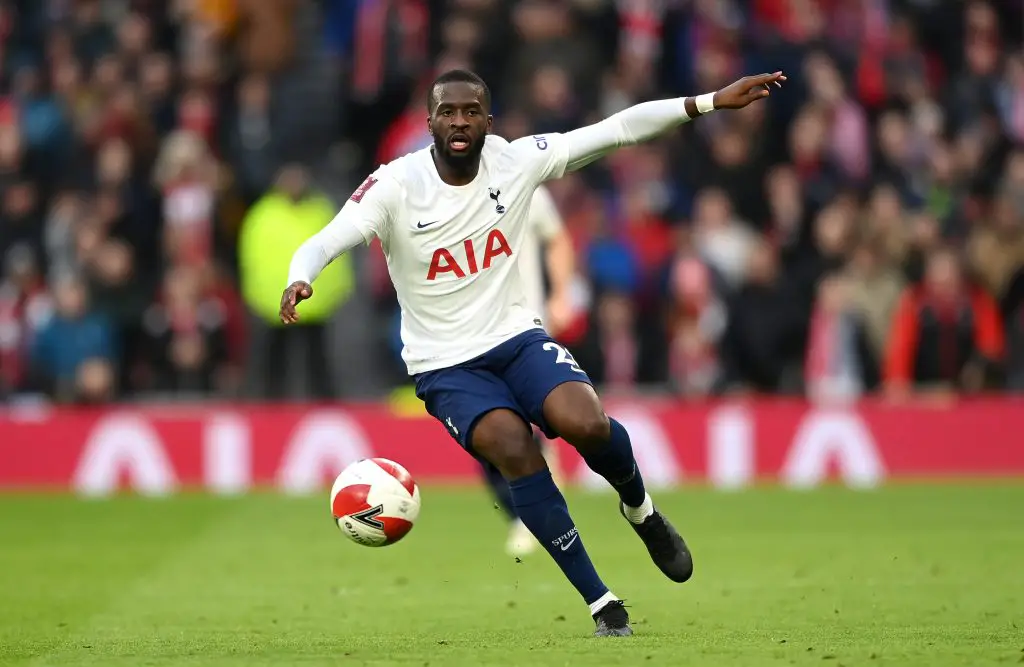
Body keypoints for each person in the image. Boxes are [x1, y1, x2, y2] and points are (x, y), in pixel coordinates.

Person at [280, 68, 786, 637]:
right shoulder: (396, 185)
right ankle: (601, 602)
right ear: (429, 123)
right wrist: (303, 275)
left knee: (587, 423)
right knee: (513, 449)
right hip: (445, 364)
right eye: (447, 112)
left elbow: (616, 130)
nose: (459, 122)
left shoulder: (516, 161)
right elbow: (328, 237)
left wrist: (709, 101)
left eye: (471, 111)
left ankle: (641, 511)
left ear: (488, 121)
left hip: (516, 337)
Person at [484, 183, 575, 558]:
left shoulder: (524, 187)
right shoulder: (444, 194)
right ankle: (524, 514)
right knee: (487, 435)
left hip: (527, 327)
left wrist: (561, 293)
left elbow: (557, 239)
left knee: (523, 424)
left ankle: (532, 516)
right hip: (472, 335)